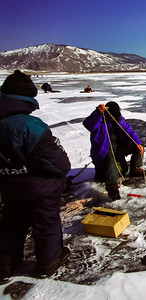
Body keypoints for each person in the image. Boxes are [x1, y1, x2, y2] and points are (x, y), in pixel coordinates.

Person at [0, 70, 71, 280]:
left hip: (8, 187)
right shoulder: (30, 126)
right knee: (46, 223)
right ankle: (49, 262)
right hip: (39, 189)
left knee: (11, 224)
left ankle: (5, 264)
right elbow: (59, 164)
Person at [83, 101, 146, 200]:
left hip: (117, 148)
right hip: (103, 151)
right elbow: (88, 124)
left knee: (137, 146)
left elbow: (128, 130)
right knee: (110, 160)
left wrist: (138, 143)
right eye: (112, 116)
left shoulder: (118, 119)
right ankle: (112, 186)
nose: (114, 118)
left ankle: (135, 169)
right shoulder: (99, 121)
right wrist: (97, 112)